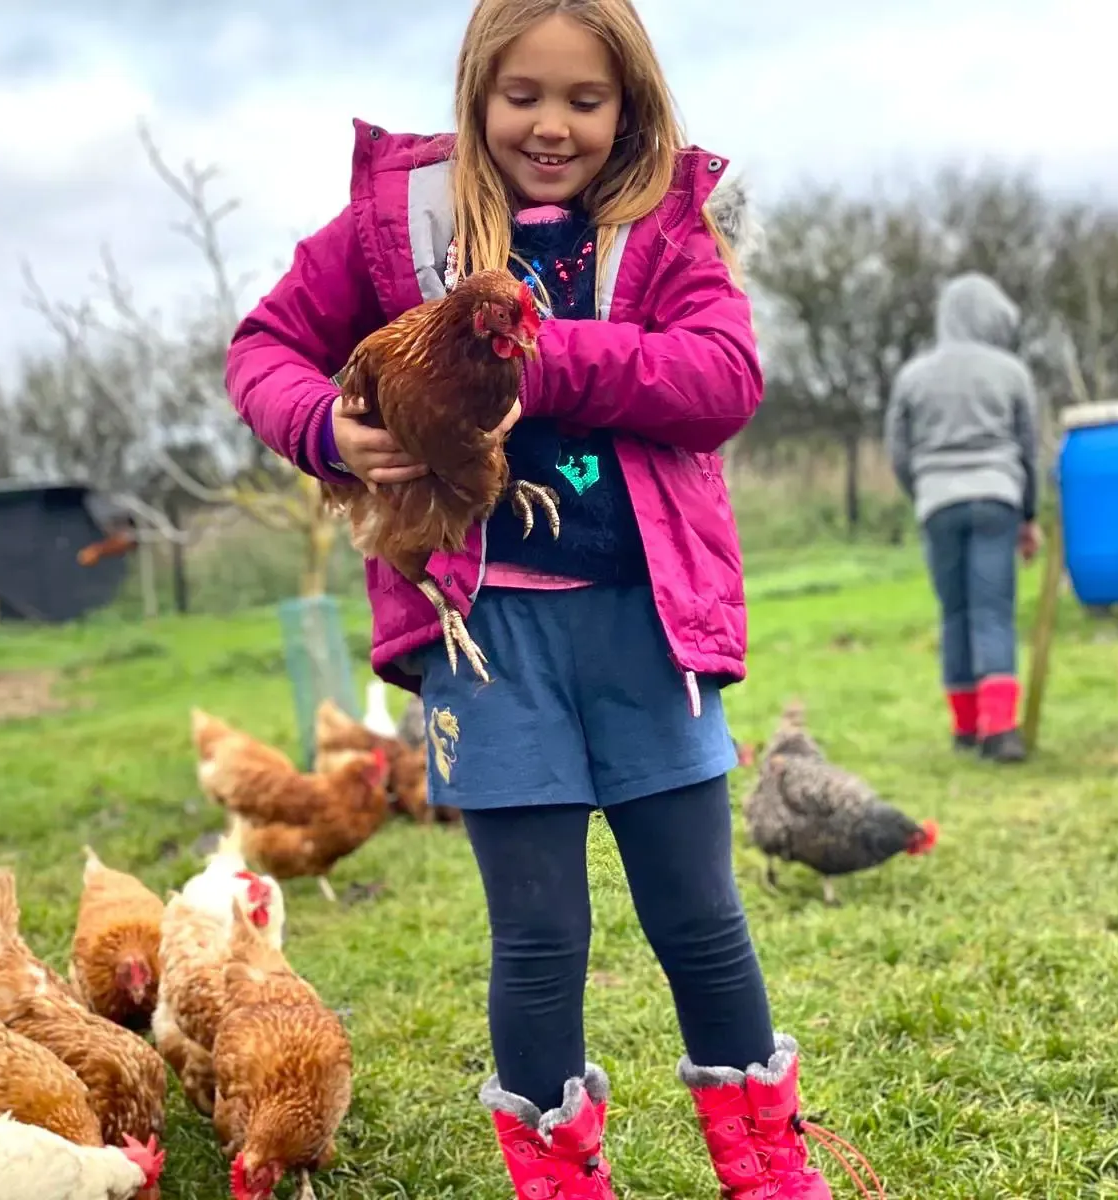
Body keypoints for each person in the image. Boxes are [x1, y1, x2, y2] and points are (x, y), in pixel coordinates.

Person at [226, 2, 863, 1196]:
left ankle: (768, 1167)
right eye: (524, 96)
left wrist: (541, 350)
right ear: (477, 93)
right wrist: (326, 429)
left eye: (585, 98)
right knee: (537, 938)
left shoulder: (667, 222)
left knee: (698, 916)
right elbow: (262, 346)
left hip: (644, 622)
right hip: (486, 638)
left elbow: (723, 378)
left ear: (629, 103)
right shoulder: (392, 222)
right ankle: (559, 1178)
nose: (553, 125)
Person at [885, 272, 1042, 764]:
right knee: (992, 610)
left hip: (937, 502)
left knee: (954, 612)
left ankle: (966, 727)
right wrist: (1028, 515)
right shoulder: (1011, 371)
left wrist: (924, 493)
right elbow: (1029, 449)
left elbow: (898, 449)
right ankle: (1002, 733)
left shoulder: (913, 376)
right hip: (998, 498)